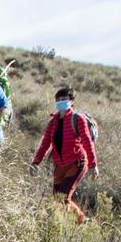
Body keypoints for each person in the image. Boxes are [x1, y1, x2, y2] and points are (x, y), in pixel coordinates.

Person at [30, 87, 97, 223]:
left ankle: (82, 221)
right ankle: (69, 222)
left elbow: (87, 141)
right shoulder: (53, 122)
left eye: (65, 99)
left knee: (63, 197)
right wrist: (35, 162)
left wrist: (93, 165)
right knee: (56, 199)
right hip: (60, 165)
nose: (61, 102)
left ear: (72, 101)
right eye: (59, 100)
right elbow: (45, 144)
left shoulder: (77, 119)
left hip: (77, 163)